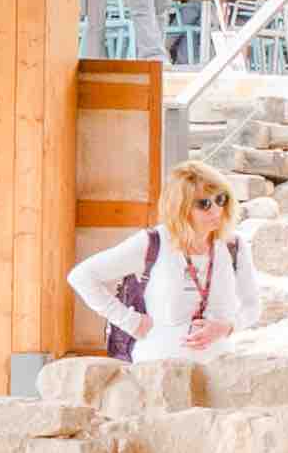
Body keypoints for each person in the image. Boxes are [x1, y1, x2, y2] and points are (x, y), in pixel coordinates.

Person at [73, 158, 262, 372]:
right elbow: (82, 276)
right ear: (180, 208)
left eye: (221, 199)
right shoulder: (152, 242)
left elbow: (253, 306)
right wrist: (130, 321)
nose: (216, 210)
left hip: (219, 374)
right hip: (158, 375)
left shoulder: (233, 246)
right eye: (204, 204)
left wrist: (227, 327)